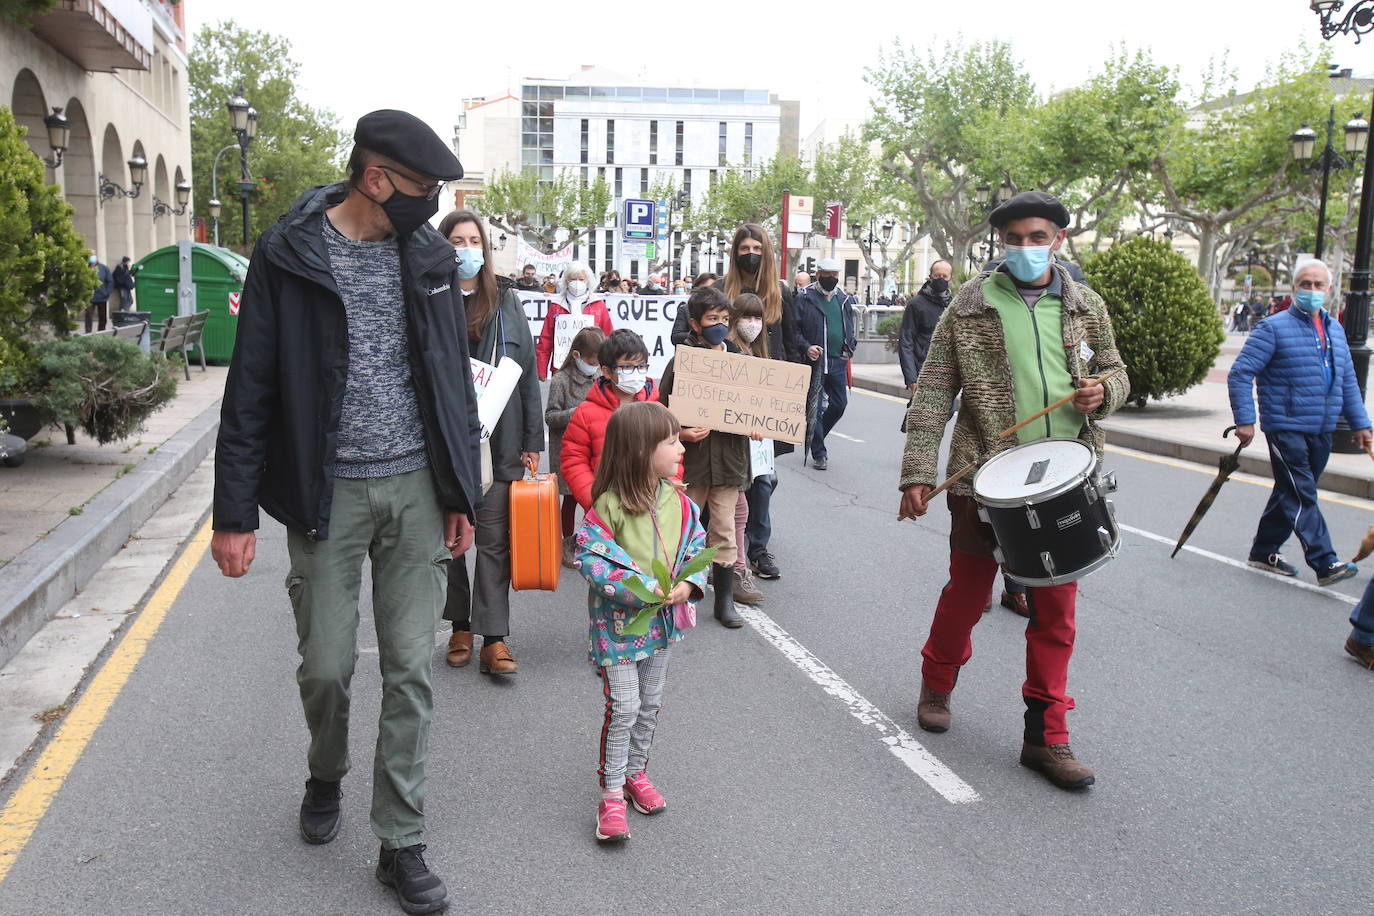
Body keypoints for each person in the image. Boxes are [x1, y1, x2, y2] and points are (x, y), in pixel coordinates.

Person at [210, 109, 475, 914]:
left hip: (417, 492)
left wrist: (462, 492)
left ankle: (401, 840)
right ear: (375, 178)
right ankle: (325, 771)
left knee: (410, 668)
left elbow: (450, 377)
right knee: (326, 665)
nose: (431, 208)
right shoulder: (288, 255)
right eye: (421, 190)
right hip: (325, 494)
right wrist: (234, 512)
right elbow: (250, 383)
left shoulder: (426, 256)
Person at [897, 190, 1130, 791]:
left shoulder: (1086, 306)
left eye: (1037, 237)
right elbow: (930, 394)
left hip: (1065, 482)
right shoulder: (969, 305)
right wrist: (918, 474)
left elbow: (1116, 371)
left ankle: (1047, 737)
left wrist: (1104, 392)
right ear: (1000, 243)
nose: (1026, 248)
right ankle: (938, 681)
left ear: (1058, 240)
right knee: (969, 594)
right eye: (1014, 239)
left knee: (1056, 614)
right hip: (982, 482)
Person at [572, 401, 709, 842]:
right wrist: (641, 589)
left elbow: (695, 549)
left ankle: (636, 774)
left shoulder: (681, 502)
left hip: (663, 626)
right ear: (638, 450)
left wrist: (688, 586)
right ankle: (611, 794)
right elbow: (592, 559)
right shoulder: (608, 506)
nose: (679, 446)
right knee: (625, 707)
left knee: (649, 705)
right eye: (670, 441)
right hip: (617, 629)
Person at [438, 209, 545, 676]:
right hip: (444, 442)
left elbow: (527, 374)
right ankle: (460, 624)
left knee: (495, 543)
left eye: (473, 240)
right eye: (456, 241)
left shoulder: (506, 300)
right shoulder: (430, 296)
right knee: (450, 541)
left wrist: (532, 439)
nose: (466, 249)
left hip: (500, 439)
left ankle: (493, 637)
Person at [1227, 258, 1370, 586]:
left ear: (1330, 290)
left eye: (1319, 285)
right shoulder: (1272, 328)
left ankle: (1263, 551)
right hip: (1285, 426)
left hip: (1322, 429)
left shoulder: (1335, 330)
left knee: (1290, 491)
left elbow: (1347, 380)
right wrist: (1245, 420)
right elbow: (1240, 373)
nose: (1312, 290)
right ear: (1295, 288)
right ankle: (1325, 561)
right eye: (1306, 284)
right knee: (1302, 493)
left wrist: (1361, 425)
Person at [658, 286, 761, 628]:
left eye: (724, 319)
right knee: (680, 528)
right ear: (695, 323)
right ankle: (668, 592)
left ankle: (724, 601)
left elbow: (755, 407)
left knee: (724, 530)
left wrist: (756, 426)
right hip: (693, 462)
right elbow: (662, 408)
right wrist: (682, 433)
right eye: (712, 318)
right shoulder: (682, 361)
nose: (719, 325)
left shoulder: (741, 364)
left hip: (730, 462)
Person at [561, 329, 662, 511]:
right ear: (606, 371)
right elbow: (574, 460)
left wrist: (666, 497)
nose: (636, 373)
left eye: (641, 366)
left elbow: (671, 455)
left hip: (651, 507)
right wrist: (594, 500)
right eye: (628, 367)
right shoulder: (586, 413)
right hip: (604, 512)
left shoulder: (657, 410)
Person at [545, 326, 606, 567]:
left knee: (593, 497)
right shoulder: (561, 380)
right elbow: (550, 416)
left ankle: (588, 541)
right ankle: (567, 543)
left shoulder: (599, 379)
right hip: (568, 450)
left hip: (594, 449)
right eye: (592, 361)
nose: (595, 366)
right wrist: (575, 413)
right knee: (570, 499)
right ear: (577, 356)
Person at [796, 257, 858, 471]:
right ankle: (819, 452)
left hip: (838, 362)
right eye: (827, 275)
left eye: (835, 275)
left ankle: (816, 436)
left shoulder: (843, 298)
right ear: (818, 274)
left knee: (839, 405)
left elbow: (850, 327)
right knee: (814, 408)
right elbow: (794, 331)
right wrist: (806, 347)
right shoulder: (805, 297)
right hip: (815, 362)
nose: (831, 279)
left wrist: (849, 347)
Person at [727, 292, 769, 604]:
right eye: (746, 317)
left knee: (738, 509)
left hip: (747, 448)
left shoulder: (756, 354)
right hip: (726, 447)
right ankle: (733, 571)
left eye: (757, 318)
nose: (752, 324)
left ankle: (735, 569)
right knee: (731, 509)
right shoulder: (728, 353)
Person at [535, 261, 614, 381]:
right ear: (566, 280)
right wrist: (542, 369)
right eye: (573, 279)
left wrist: (608, 368)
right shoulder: (556, 305)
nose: (577, 283)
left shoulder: (598, 305)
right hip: (561, 367)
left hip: (592, 368)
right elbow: (546, 339)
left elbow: (608, 337)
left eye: (581, 279)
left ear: (588, 280)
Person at [898, 260, 953, 393]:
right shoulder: (915, 304)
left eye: (944, 276)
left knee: (947, 412)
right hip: (922, 370)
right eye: (937, 275)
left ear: (951, 278)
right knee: (920, 412)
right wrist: (911, 378)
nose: (941, 279)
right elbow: (906, 341)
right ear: (930, 276)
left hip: (947, 373)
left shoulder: (954, 305)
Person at [85, 253, 112, 333]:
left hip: (102, 296)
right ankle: (88, 332)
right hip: (89, 297)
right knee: (88, 315)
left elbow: (110, 281)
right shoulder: (86, 267)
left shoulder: (104, 268)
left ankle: (101, 331)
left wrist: (107, 292)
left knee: (102, 317)